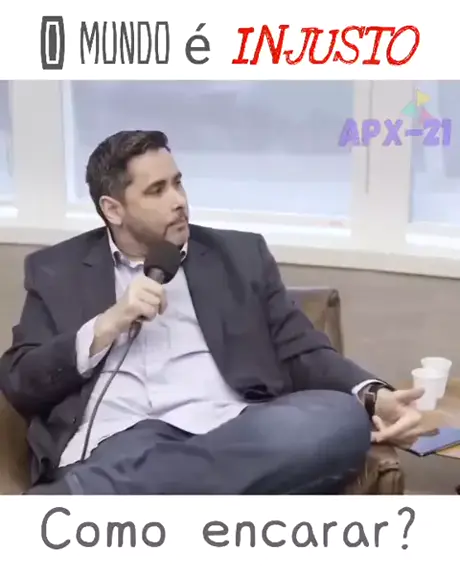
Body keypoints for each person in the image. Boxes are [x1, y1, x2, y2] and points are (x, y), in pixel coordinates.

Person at [0, 130, 423, 495]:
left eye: (177, 183)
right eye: (156, 191)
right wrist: (104, 326)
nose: (178, 201)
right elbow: (20, 381)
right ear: (113, 209)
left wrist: (373, 396)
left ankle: (92, 496)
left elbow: (302, 350)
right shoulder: (57, 270)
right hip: (122, 439)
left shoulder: (239, 256)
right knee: (143, 461)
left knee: (339, 419)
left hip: (230, 427)